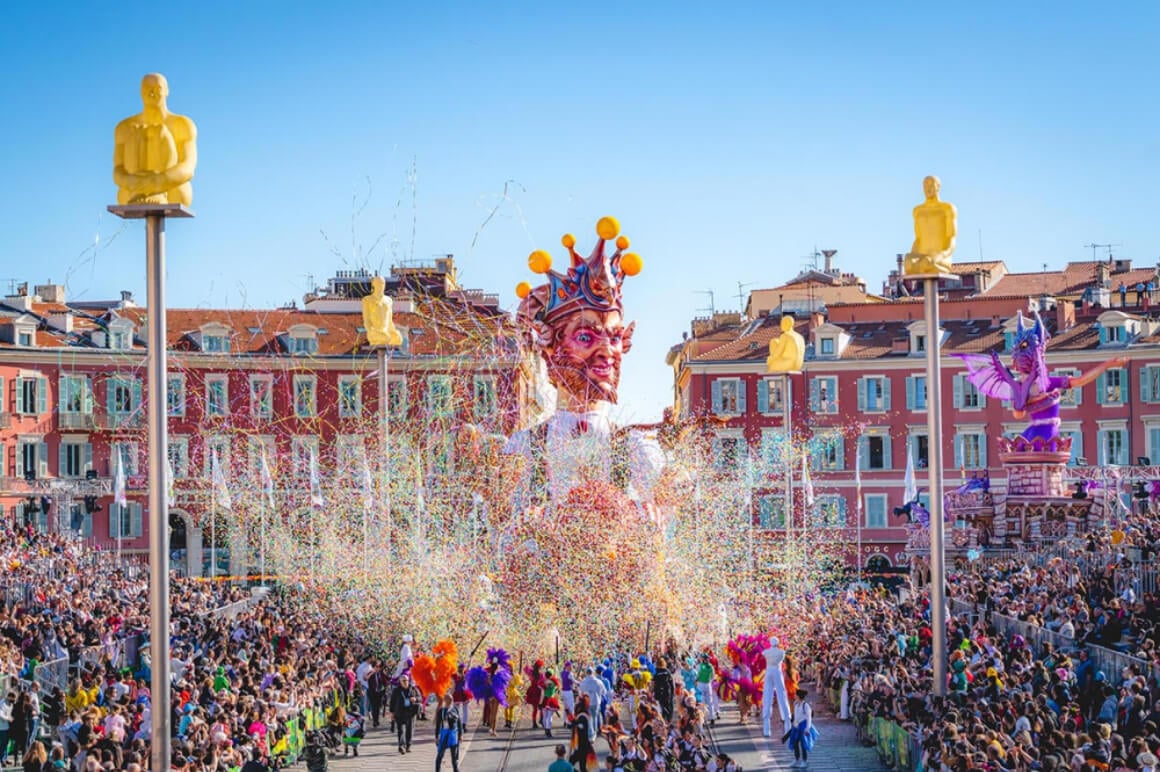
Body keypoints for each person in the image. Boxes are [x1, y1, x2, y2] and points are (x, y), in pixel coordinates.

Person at [112, 73, 198, 206]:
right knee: (136, 132)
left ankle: (157, 193)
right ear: (141, 92)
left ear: (167, 91)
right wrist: (131, 181)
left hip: (172, 191)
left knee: (159, 131)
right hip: (133, 191)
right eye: (147, 88)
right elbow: (118, 169)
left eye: (158, 88)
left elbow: (188, 166)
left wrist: (156, 182)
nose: (152, 93)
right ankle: (142, 192)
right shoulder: (125, 127)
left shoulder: (183, 124)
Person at [903, 175, 957, 276]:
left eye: (931, 185)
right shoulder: (917, 211)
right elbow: (918, 239)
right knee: (908, 264)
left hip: (940, 257)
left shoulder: (947, 208)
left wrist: (942, 255)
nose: (927, 189)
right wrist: (912, 257)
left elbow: (951, 237)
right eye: (925, 186)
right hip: (922, 256)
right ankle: (923, 265)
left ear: (938, 187)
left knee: (929, 263)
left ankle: (929, 265)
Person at [361, 275, 404, 348]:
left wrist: (394, 331)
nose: (381, 285)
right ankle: (381, 336)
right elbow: (367, 320)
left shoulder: (389, 300)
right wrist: (371, 330)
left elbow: (389, 321)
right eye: (378, 283)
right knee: (385, 337)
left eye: (382, 283)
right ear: (373, 285)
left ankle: (387, 336)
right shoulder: (367, 300)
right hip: (374, 332)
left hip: (386, 331)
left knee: (398, 338)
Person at [762, 638, 790, 737]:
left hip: (769, 672)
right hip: (777, 673)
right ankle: (787, 723)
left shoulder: (766, 652)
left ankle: (766, 729)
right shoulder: (781, 652)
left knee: (767, 697)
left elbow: (763, 653)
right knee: (782, 696)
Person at [389, 673, 421, 754]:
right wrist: (392, 713)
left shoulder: (413, 689)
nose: (405, 682)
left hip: (410, 713)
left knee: (409, 730)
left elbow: (420, 698)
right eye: (403, 681)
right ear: (400, 682)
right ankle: (401, 746)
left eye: (406, 680)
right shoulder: (396, 690)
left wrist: (415, 699)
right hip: (399, 712)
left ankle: (408, 745)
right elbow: (392, 702)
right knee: (400, 730)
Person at [784, 688, 816, 768]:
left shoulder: (806, 706)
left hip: (803, 726)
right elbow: (795, 715)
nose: (794, 696)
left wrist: (807, 728)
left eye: (795, 694)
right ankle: (796, 759)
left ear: (798, 696)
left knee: (803, 744)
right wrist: (794, 724)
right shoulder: (795, 704)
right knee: (795, 743)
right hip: (796, 726)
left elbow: (809, 717)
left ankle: (804, 761)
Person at [434, 694, 462, 772]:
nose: (451, 701)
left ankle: (456, 770)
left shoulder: (455, 709)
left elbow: (459, 723)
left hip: (453, 734)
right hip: (445, 734)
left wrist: (460, 735)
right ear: (445, 700)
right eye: (449, 699)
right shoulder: (441, 711)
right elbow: (438, 725)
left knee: (454, 756)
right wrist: (437, 736)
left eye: (451, 699)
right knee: (440, 754)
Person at [570, 694, 597, 772]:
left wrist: (574, 722)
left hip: (582, 745)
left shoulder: (582, 716)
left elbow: (582, 728)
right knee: (581, 766)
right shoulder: (585, 714)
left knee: (572, 764)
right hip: (583, 745)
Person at [652, 657, 675, 722]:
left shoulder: (655, 671)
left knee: (660, 704)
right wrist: (672, 692)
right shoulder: (667, 671)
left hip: (658, 690)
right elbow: (671, 682)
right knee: (668, 704)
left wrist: (651, 691)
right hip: (667, 689)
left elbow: (653, 682)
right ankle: (668, 719)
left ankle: (662, 718)